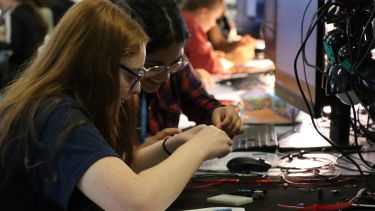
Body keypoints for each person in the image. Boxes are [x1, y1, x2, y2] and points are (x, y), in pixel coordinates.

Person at [0, 0, 232, 210]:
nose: (138, 89)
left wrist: (173, 144)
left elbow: (114, 170)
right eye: (132, 77)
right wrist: (198, 147)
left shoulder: (54, 102)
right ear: (95, 65)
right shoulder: (57, 117)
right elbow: (136, 204)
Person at [124, 0, 243, 144]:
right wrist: (141, 150)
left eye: (174, 63)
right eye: (154, 67)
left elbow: (199, 101)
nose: (166, 76)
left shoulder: (174, 64)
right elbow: (105, 156)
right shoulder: (114, 90)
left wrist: (219, 113)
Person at [0, 0, 48, 84]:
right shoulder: (33, 12)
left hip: (18, 70)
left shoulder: (14, 15)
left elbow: (14, 47)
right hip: (33, 65)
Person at [181, 0, 226, 75]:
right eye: (215, 18)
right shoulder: (191, 28)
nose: (213, 24)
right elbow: (207, 66)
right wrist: (224, 62)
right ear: (203, 13)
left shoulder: (182, 18)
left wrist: (212, 56)